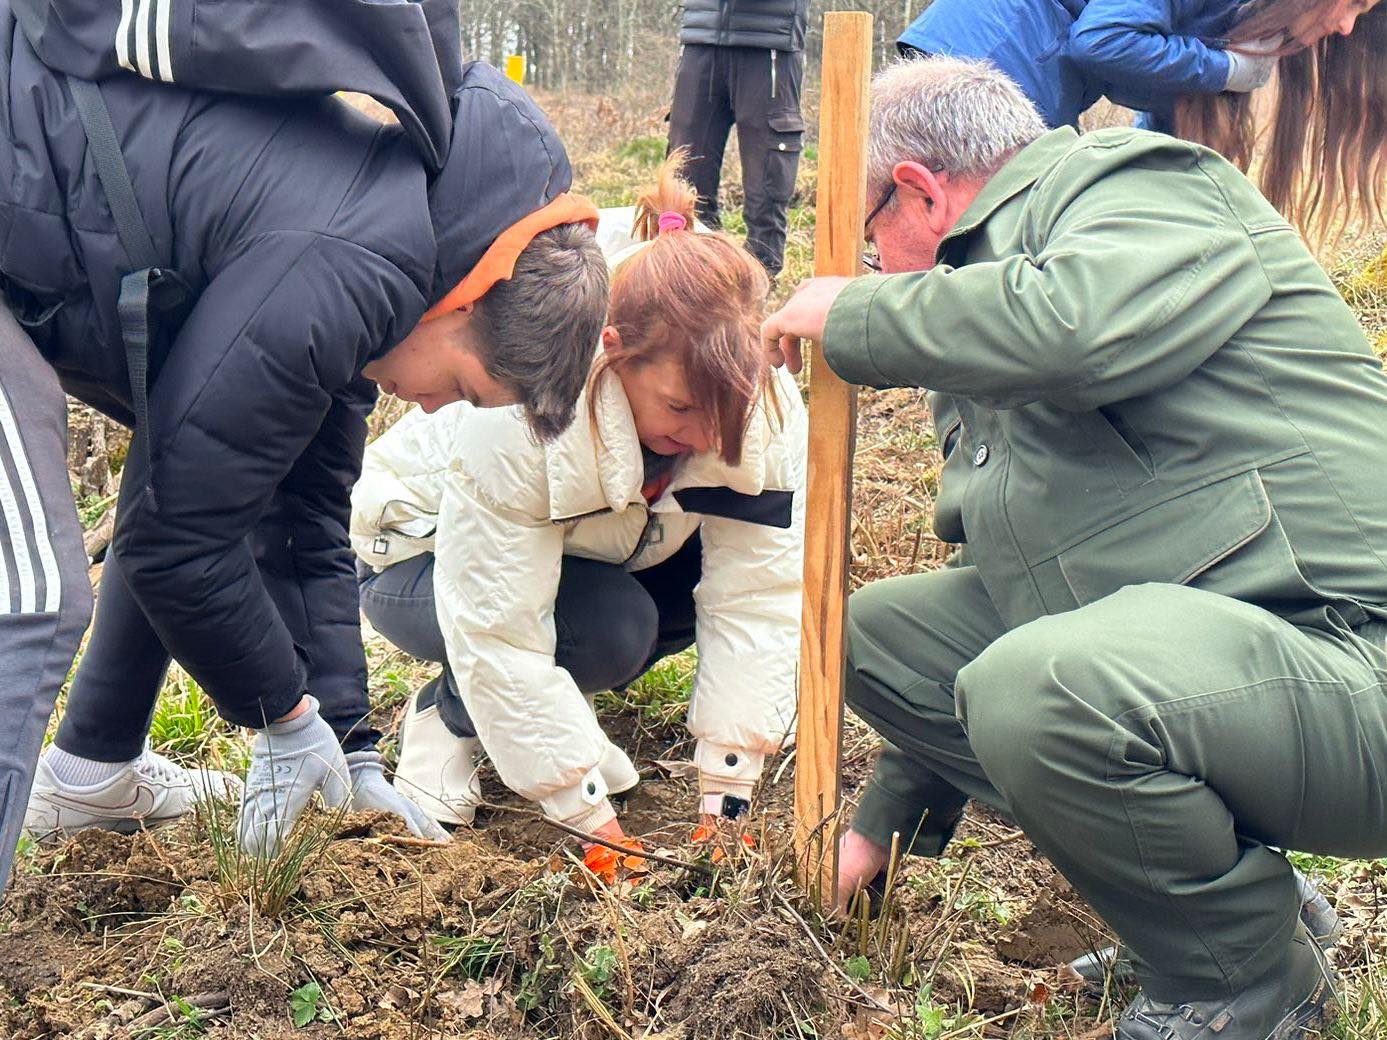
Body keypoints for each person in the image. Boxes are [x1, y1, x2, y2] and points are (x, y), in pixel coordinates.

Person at [762, 56, 1387, 1040]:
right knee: (876, 635)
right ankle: (1227, 909)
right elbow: (1008, 582)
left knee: (1043, 685)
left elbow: (1073, 326)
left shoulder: (1136, 187)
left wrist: (854, 315)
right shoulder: (983, 310)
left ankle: (1244, 984)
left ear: (918, 192)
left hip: (1353, 660)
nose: (873, 269)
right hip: (1228, 667)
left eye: (869, 246)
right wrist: (885, 822)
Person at [0, 0, 608, 883]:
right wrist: (284, 718)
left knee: (197, 468)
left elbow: (302, 516)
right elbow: (177, 546)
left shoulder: (378, 271)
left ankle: (90, 773)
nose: (433, 409)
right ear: (467, 297)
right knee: (32, 597)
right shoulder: (354, 264)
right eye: (466, 388)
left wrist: (349, 745)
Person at [351, 157, 806, 852]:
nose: (704, 438)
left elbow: (757, 597)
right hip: (416, 552)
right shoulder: (528, 410)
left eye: (724, 413)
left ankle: (561, 719)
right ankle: (446, 718)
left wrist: (728, 796)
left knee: (684, 594)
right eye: (680, 406)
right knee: (609, 629)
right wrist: (585, 815)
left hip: (586, 551)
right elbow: (497, 625)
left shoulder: (764, 406)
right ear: (613, 354)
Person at [897, 0, 1385, 233]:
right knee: (989, 247)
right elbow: (1103, 41)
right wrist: (1224, 68)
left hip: (1005, 68)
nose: (1346, 26)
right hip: (985, 62)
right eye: (1354, 4)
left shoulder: (1238, 11)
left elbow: (1157, 91)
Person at [667, 0, 810, 278]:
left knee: (766, 182)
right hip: (700, 34)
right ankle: (696, 275)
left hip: (769, 40)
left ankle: (761, 279)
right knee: (686, 179)